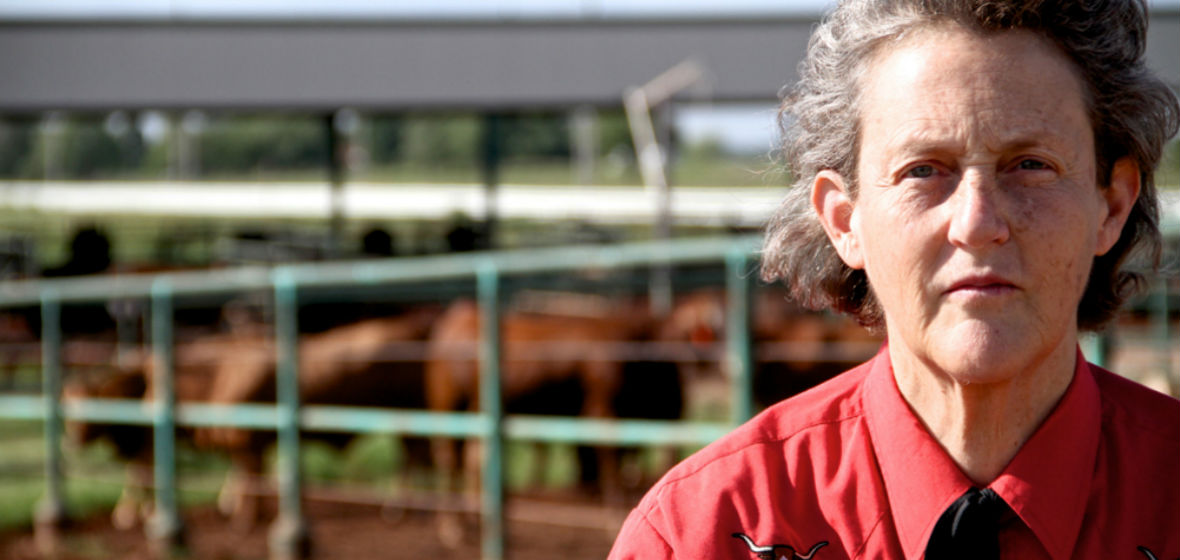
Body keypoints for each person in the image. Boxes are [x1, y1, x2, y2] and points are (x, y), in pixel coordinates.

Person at [608, 0, 1179, 558]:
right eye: (922, 171)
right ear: (843, 220)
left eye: (1031, 165)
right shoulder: (703, 534)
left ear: (1111, 206)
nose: (977, 224)